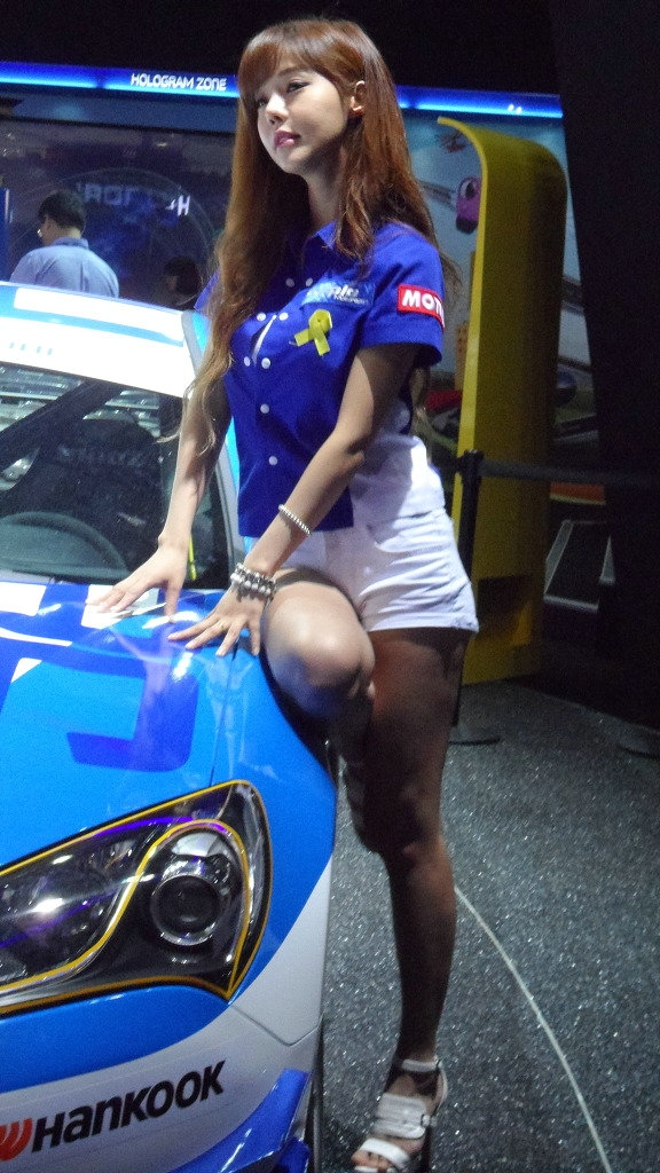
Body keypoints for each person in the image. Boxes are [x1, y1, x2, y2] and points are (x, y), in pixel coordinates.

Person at [99, 18, 478, 1173]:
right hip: (299, 560)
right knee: (320, 666)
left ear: (357, 97)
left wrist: (255, 567)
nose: (273, 111)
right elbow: (203, 401)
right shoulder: (256, 257)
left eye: (296, 86)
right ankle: (350, 740)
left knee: (404, 829)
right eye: (259, 95)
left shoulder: (403, 256)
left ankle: (416, 1068)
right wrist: (177, 538)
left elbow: (356, 438)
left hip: (392, 555)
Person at [11, 189, 119, 296]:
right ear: (82, 228)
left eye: (40, 231)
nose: (41, 236)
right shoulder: (108, 274)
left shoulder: (35, 261)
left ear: (48, 222)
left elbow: (9, 301)